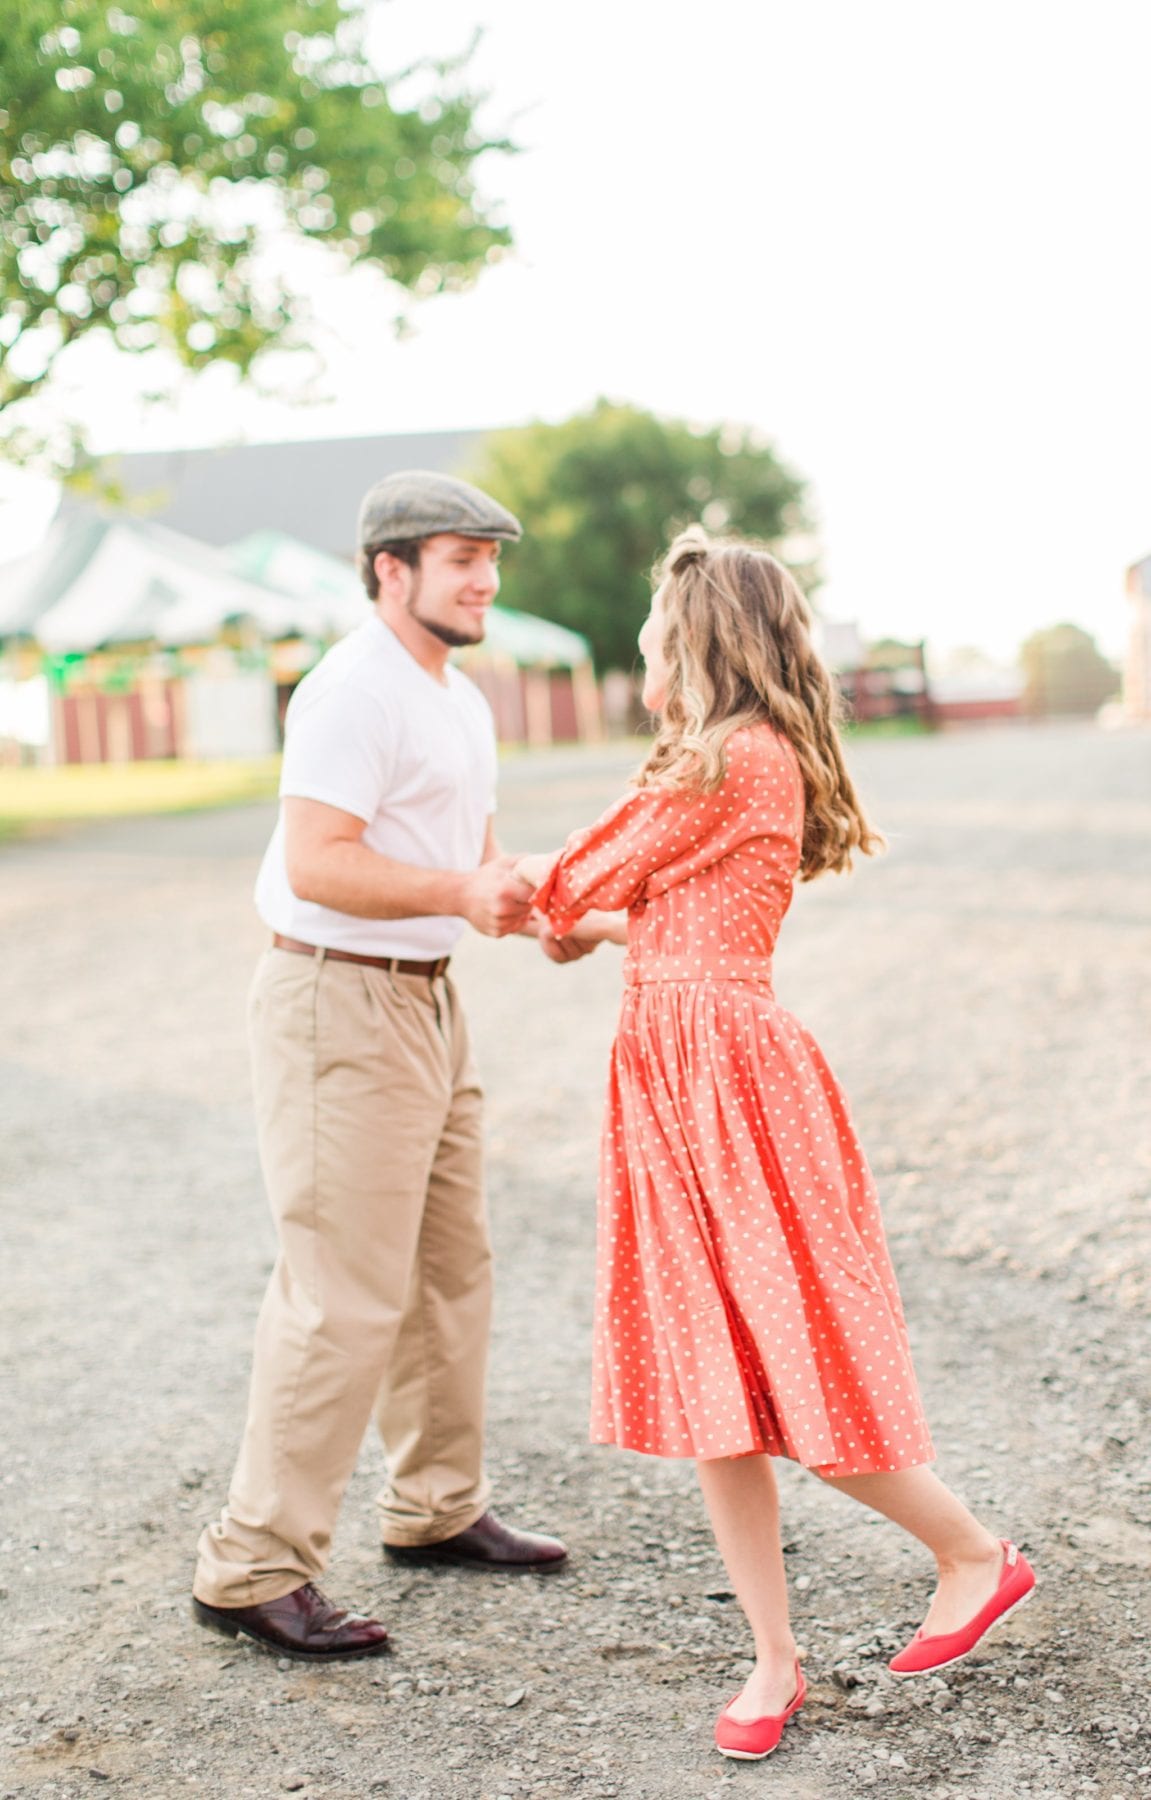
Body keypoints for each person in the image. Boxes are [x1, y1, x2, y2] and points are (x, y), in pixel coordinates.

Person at [517, 529, 1036, 1760]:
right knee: (714, 1385)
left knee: (790, 1361)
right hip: (671, 1071)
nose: (638, 654)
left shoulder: (723, 759)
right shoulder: (716, 769)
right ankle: (770, 1655)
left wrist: (536, 900)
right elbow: (642, 915)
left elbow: (574, 875)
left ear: (693, 641)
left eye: (649, 636)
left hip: (730, 1084)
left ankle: (972, 1555)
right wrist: (589, 926)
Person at [192, 471, 568, 1664]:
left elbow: (468, 849)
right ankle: (250, 1567)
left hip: (427, 1003)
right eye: (460, 558)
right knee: (339, 1293)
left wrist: (536, 903)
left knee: (452, 1270)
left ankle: (434, 1507)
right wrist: (462, 892)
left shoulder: (455, 695)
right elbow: (319, 862)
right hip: (334, 1002)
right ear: (387, 569)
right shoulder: (348, 690)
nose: (484, 581)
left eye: (490, 561)